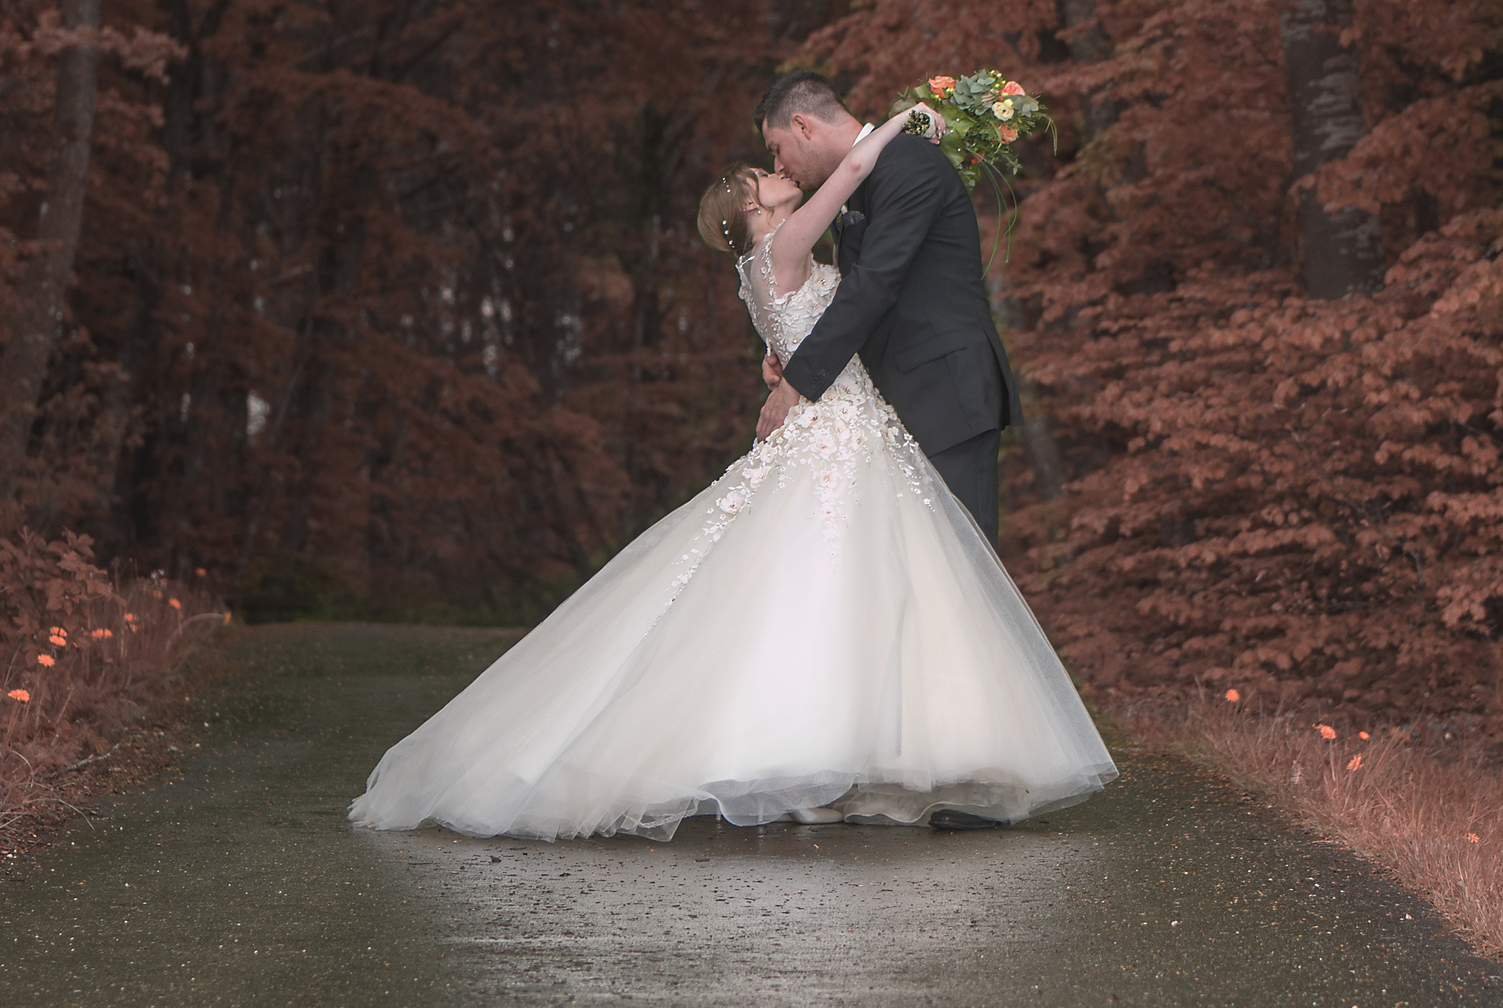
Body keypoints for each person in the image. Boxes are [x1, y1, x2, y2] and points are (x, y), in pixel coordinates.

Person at [347, 99, 1115, 843]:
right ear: (750, 213)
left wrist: (785, 364)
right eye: (764, 177)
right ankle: (838, 752)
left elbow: (856, 291)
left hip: (857, 423)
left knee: (853, 588)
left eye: (774, 159)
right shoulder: (782, 249)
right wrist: (905, 119)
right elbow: (849, 180)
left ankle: (869, 754)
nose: (777, 172)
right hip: (839, 431)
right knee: (852, 585)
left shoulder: (780, 260)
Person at [754, 71, 1021, 549]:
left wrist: (798, 381)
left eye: (776, 148)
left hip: (946, 396)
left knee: (967, 573)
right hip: (906, 403)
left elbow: (874, 286)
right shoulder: (864, 179)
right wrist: (787, 347)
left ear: (802, 125)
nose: (778, 165)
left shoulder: (908, 164)